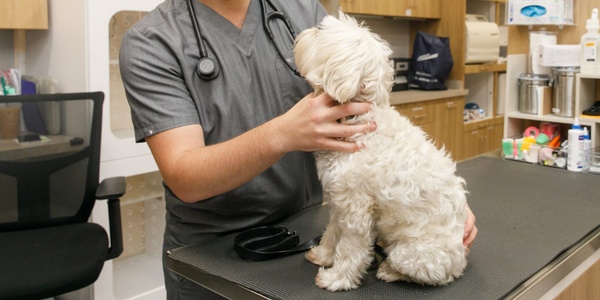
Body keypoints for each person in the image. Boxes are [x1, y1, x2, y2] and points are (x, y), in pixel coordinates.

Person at [119, 0, 477, 299]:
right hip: (211, 252)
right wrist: (281, 135)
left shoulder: (300, 9)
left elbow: (363, 104)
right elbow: (186, 177)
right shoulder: (152, 41)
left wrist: (437, 205)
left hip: (303, 232)